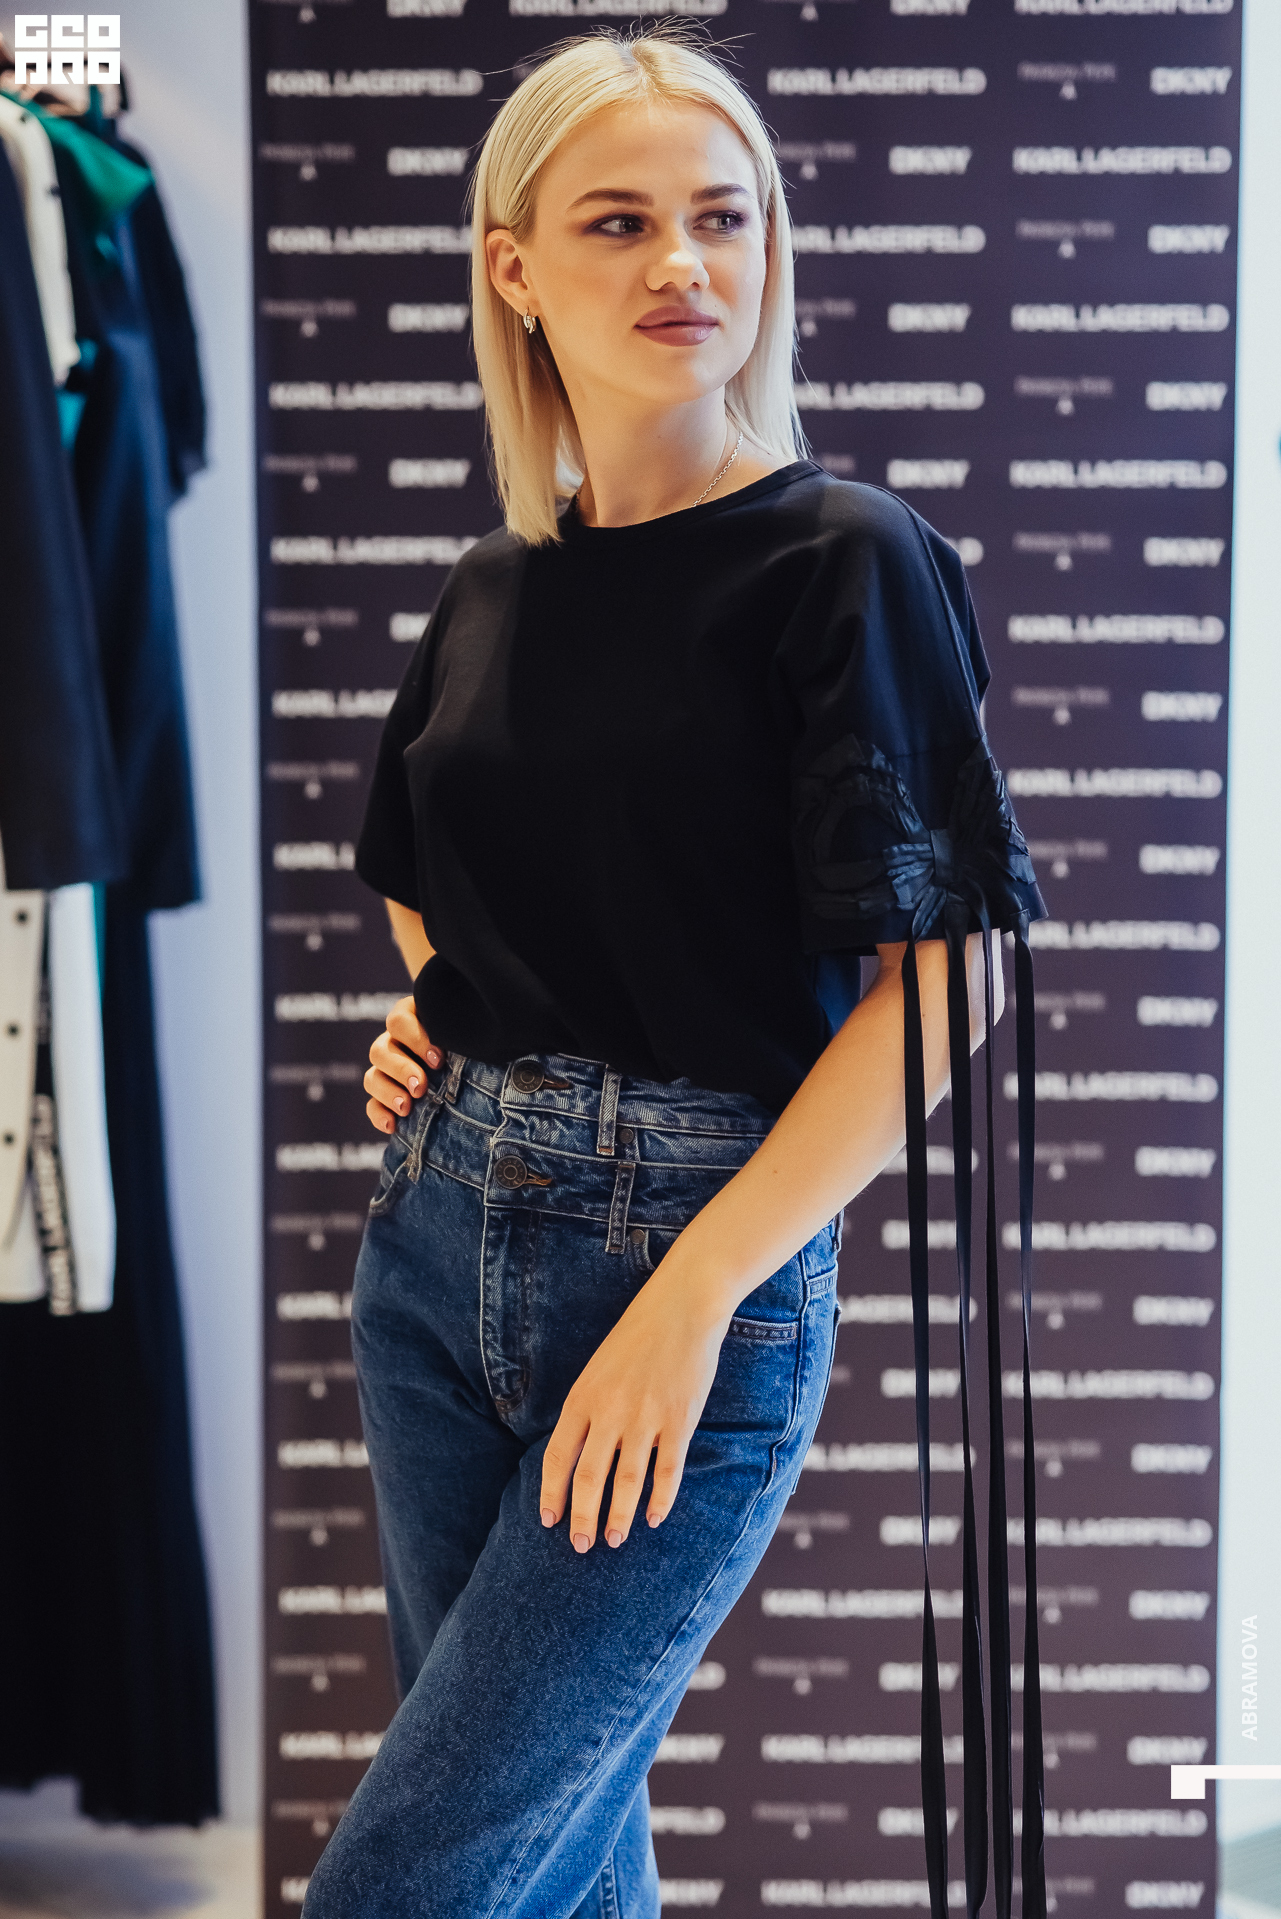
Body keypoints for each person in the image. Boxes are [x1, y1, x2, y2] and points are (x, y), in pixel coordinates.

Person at [301, 26, 1046, 1919]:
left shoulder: (846, 559)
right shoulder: (497, 581)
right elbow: (421, 879)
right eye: (618, 222)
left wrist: (699, 1291)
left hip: (682, 1254)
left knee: (412, 1882)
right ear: (513, 267)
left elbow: (942, 983)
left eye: (722, 218)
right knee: (553, 1858)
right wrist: (436, 1016)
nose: (683, 266)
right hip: (431, 1252)